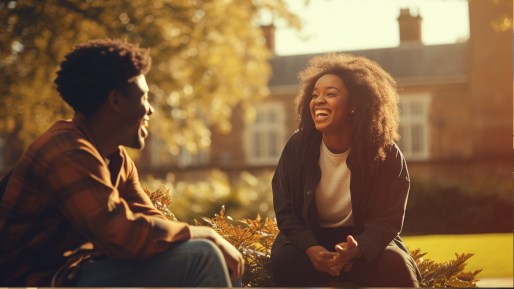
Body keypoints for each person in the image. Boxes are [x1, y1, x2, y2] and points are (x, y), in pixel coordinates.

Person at [0, 38, 243, 287]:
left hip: (75, 272)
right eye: (144, 97)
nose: (150, 110)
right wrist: (206, 234)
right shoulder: (66, 152)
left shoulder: (117, 159)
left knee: (218, 256)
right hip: (35, 282)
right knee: (202, 256)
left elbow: (151, 221)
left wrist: (206, 240)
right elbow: (119, 234)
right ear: (115, 102)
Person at [271, 53, 421, 287]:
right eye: (315, 95)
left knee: (396, 264)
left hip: (363, 239)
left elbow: (388, 219)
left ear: (354, 105)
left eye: (330, 94)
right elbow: (285, 210)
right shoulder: (297, 147)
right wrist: (312, 249)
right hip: (309, 240)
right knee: (285, 261)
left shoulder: (386, 153)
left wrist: (358, 248)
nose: (318, 100)